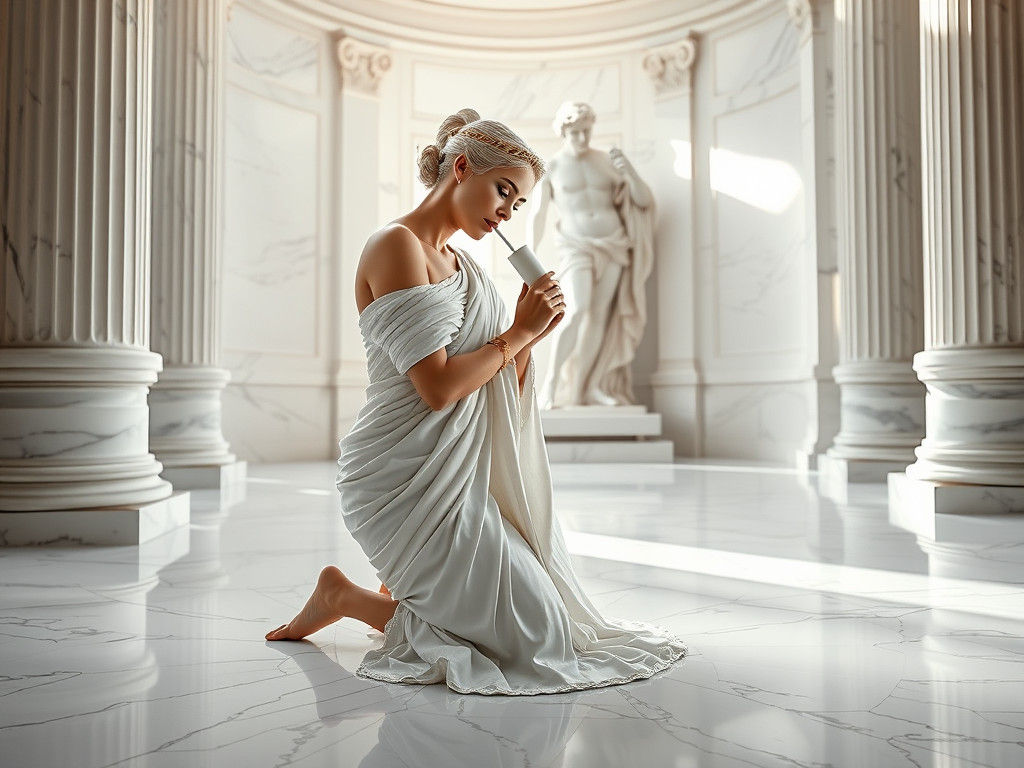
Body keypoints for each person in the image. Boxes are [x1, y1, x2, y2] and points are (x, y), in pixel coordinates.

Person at [265, 108, 687, 695]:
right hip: (395, 474)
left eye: (518, 207)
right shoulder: (395, 245)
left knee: (556, 624)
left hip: (459, 478)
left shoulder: (470, 271)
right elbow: (437, 389)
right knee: (534, 639)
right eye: (504, 192)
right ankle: (347, 596)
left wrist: (530, 333)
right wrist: (514, 335)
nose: (507, 213)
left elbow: (498, 389)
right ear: (461, 167)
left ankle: (408, 585)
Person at [527, 101, 656, 409]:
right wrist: (530, 255)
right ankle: (552, 383)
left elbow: (643, 201)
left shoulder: (607, 161)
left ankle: (588, 387)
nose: (583, 139)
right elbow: (538, 213)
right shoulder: (553, 167)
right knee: (577, 310)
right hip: (577, 245)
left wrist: (631, 172)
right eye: (575, 133)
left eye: (586, 131)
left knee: (599, 316)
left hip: (614, 243)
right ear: (563, 132)